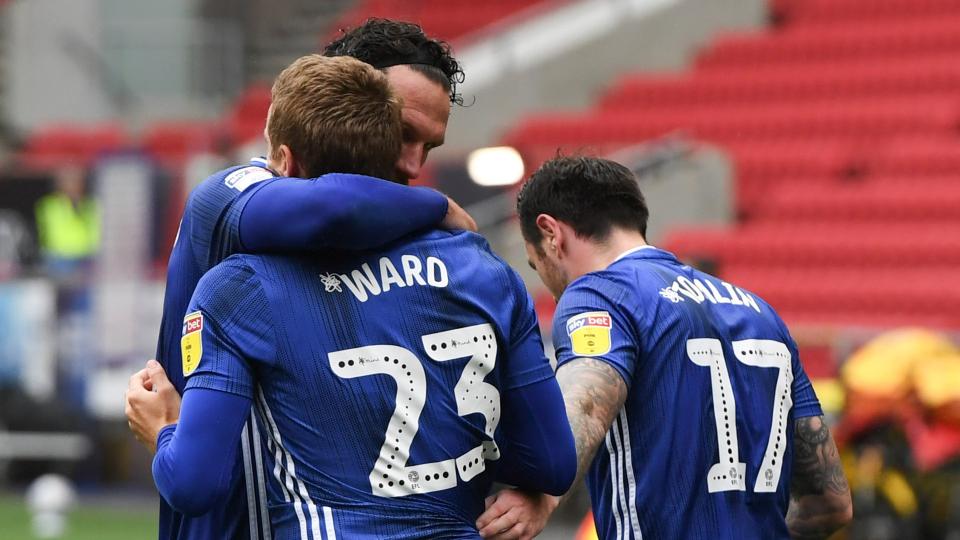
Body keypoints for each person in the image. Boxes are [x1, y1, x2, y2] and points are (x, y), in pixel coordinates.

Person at [126, 56, 577, 539]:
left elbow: (193, 481)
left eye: (429, 146)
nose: (414, 162)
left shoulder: (244, 288)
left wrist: (163, 430)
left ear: (285, 157)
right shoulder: (481, 268)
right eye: (404, 136)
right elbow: (552, 460)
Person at [477, 156, 853, 539]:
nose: (548, 286)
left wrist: (544, 491)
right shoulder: (761, 314)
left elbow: (586, 403)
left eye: (535, 263)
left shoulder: (599, 293)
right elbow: (832, 503)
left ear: (551, 233)